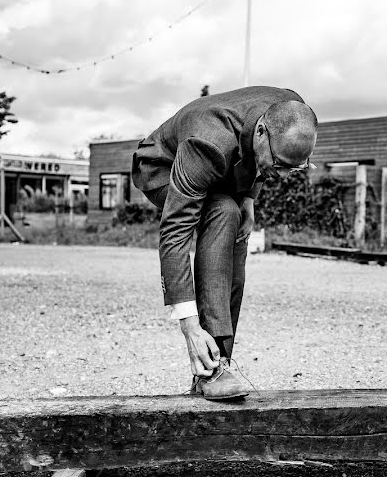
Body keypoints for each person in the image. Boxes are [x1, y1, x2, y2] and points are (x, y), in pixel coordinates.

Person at [133, 86, 317, 400]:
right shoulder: (207, 143)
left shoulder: (291, 111)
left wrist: (249, 200)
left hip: (225, 164)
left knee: (237, 231)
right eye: (281, 165)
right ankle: (209, 367)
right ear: (262, 132)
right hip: (162, 165)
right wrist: (189, 326)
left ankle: (220, 355)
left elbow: (257, 161)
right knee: (222, 211)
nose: (285, 176)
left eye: (295, 168)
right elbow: (175, 232)